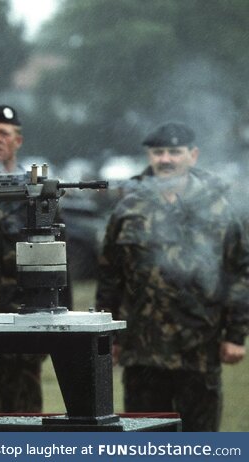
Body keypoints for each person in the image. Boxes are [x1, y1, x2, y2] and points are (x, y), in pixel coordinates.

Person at [95, 121, 249, 431]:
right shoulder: (129, 208)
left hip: (199, 348)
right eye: (158, 152)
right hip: (141, 350)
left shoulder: (219, 208)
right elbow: (110, 276)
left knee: (199, 442)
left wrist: (235, 335)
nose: (166, 159)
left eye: (174, 152)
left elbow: (238, 272)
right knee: (146, 442)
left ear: (193, 155)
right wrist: (107, 338)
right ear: (150, 156)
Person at [0, 105, 71, 413]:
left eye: (4, 134)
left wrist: (59, 330)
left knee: (26, 425)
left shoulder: (37, 200)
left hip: (25, 333)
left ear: (17, 141)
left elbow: (60, 271)